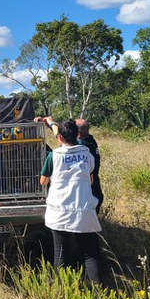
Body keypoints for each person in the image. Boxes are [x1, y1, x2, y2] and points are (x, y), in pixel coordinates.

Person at [35, 116, 103, 286]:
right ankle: (98, 293)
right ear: (77, 135)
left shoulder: (54, 156)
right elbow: (91, 180)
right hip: (83, 209)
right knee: (89, 254)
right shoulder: (87, 153)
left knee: (61, 252)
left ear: (60, 138)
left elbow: (43, 181)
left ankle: (62, 291)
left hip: (59, 211)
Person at [75, 118, 103, 215]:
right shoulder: (91, 140)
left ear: (77, 133)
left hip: (88, 185)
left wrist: (51, 123)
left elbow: (63, 137)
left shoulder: (83, 146)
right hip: (94, 183)